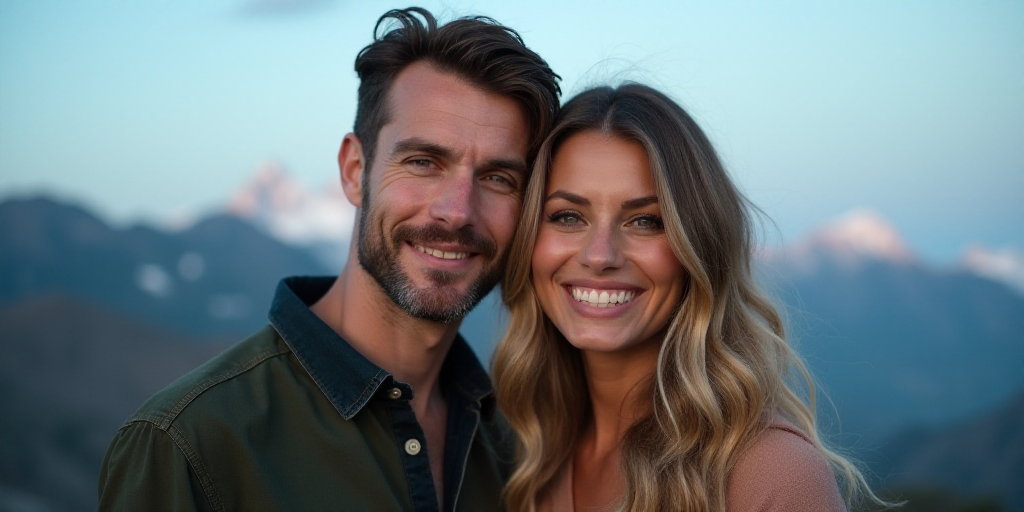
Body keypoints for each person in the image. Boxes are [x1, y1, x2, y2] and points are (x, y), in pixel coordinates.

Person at [98, 7, 560, 512]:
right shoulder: (191, 444)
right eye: (423, 162)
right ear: (353, 169)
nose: (456, 211)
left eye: (498, 178)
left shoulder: (521, 458)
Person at [492, 84, 887, 512]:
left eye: (645, 221)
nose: (600, 255)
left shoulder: (770, 473)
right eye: (567, 216)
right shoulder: (535, 450)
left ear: (698, 248)